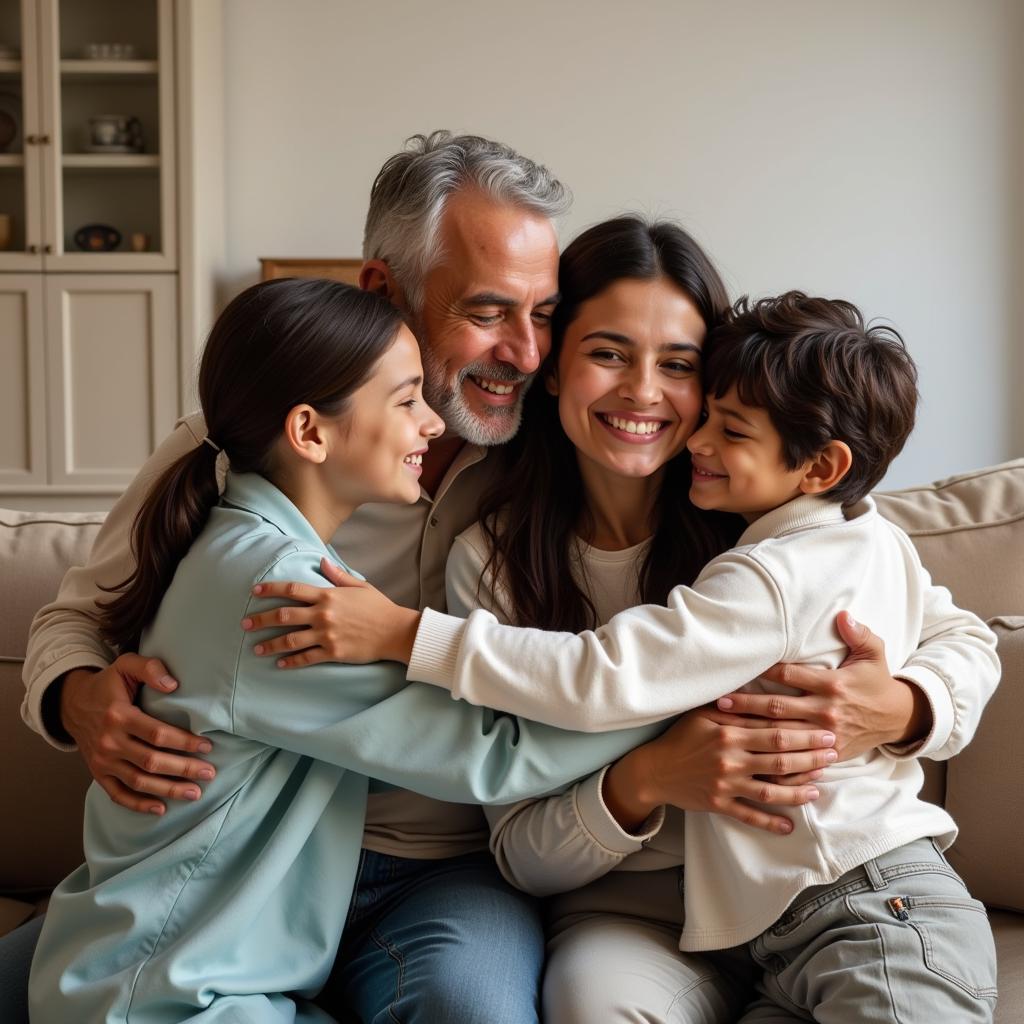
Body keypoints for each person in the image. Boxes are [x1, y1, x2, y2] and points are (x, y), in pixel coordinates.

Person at [11, 134, 942, 1021]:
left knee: (475, 1005)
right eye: (490, 312)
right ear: (385, 290)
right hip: (254, 852)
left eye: (543, 318)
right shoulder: (251, 448)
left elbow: (922, 611)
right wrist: (79, 698)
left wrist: (896, 707)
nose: (527, 355)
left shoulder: (602, 465)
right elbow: (74, 619)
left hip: (443, 867)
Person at [258, 221, 1000, 1022]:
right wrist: (646, 780)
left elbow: (963, 639)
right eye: (609, 353)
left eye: (678, 366)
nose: (644, 392)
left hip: (826, 891)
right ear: (551, 366)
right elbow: (525, 839)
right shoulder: (496, 556)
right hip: (636, 911)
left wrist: (900, 706)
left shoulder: (780, 519)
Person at [28, 275, 684, 1022]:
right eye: (406, 402)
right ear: (309, 432)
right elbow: (491, 751)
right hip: (175, 995)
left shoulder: (248, 540)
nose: (433, 424)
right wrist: (678, 695)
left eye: (542, 315)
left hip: (209, 965)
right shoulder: (279, 594)